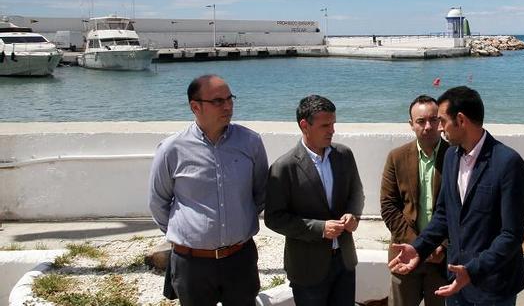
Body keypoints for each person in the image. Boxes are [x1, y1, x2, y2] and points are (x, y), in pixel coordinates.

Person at [389, 86, 524, 306]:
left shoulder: (508, 163)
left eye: (442, 121)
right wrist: (419, 247)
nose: (441, 129)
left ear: (461, 120)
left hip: (494, 289)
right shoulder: (451, 158)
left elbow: (511, 235)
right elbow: (444, 214)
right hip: (455, 285)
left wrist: (472, 271)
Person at [148, 74, 268, 306]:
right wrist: (189, 235)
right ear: (195, 106)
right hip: (192, 264)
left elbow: (260, 193)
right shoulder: (172, 149)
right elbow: (158, 202)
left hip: (240, 259)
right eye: (218, 101)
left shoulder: (250, 142)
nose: (227, 106)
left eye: (230, 99)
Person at [265, 95, 365, 306]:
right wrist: (319, 228)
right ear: (305, 125)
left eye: (333, 124)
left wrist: (353, 215)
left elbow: (356, 193)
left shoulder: (344, 155)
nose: (332, 130)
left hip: (345, 261)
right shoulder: (284, 167)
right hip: (307, 268)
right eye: (325, 125)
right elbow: (274, 218)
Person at [380, 95, 450, 306]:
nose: (427, 126)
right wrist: (418, 247)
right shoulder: (397, 157)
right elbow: (388, 206)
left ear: (440, 122)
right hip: (404, 253)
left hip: (441, 258)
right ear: (411, 125)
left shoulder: (455, 156)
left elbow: (461, 209)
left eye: (433, 120)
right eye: (421, 121)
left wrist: (442, 247)